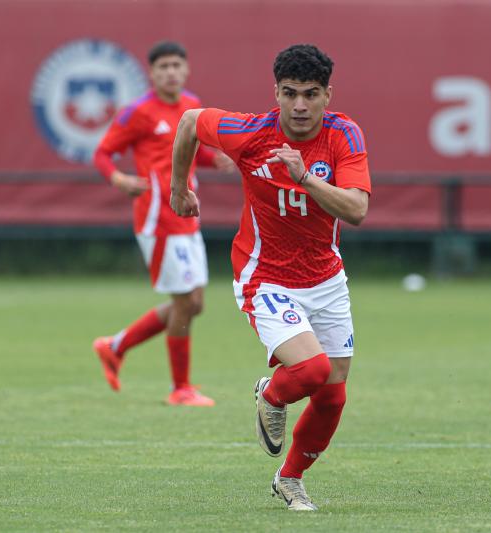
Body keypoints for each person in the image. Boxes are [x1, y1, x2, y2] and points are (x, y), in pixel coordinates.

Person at [169, 44, 370, 510]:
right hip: (266, 276)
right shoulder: (250, 132)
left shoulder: (344, 135)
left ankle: (290, 478)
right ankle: (272, 395)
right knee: (312, 371)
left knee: (333, 397)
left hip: (326, 277)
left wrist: (306, 179)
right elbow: (188, 123)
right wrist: (179, 187)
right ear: (275, 93)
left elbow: (357, 209)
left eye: (311, 94)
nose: (300, 105)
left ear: (328, 95)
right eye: (290, 93)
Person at [92, 41, 233, 407]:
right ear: (151, 73)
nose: (170, 72)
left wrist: (212, 159)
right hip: (158, 220)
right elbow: (103, 153)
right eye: (163, 67)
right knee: (185, 301)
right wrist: (118, 180)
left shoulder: (191, 105)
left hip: (187, 216)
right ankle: (180, 388)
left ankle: (116, 345)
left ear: (186, 70)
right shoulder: (138, 112)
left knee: (194, 303)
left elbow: (190, 150)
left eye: (176, 65)